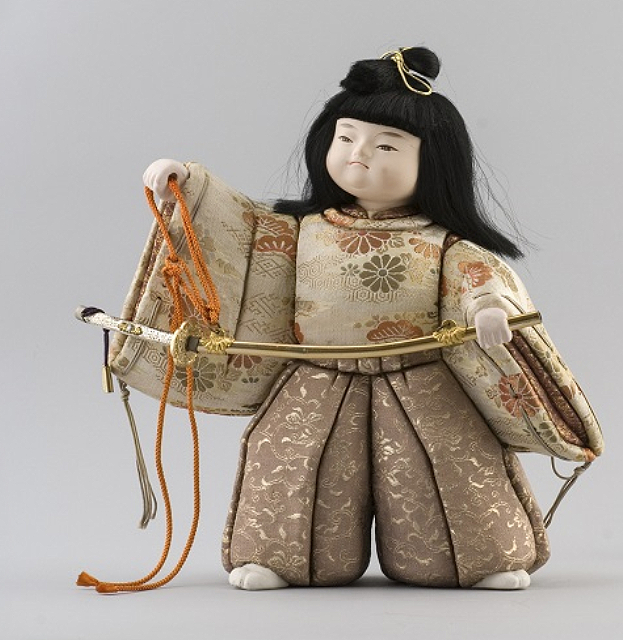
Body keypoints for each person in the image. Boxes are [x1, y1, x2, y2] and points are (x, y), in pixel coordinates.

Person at [143, 47, 551, 590]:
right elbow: (241, 233)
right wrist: (188, 186)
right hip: (318, 374)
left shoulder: (441, 242)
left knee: (444, 467)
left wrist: (488, 307)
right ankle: (281, 558)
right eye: (347, 138)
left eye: (386, 145)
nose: (360, 154)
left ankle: (473, 560)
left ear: (434, 162)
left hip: (420, 377)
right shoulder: (302, 229)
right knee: (292, 461)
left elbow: (477, 276)